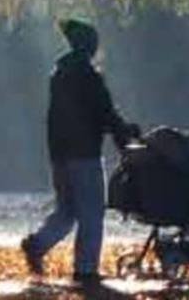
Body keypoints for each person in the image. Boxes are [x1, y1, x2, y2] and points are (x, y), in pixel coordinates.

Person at [21, 19, 139, 285]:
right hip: (84, 155)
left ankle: (38, 244)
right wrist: (126, 137)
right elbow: (105, 113)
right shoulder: (88, 76)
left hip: (59, 156)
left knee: (67, 210)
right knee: (92, 213)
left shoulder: (59, 75)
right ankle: (86, 269)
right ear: (89, 46)